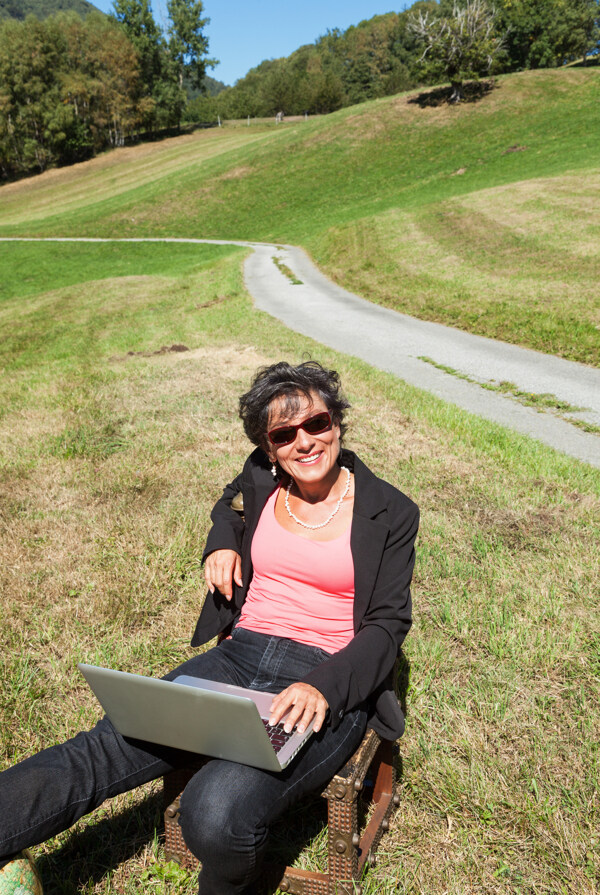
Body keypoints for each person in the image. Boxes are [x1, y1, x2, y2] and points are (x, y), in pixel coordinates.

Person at [0, 360, 419, 895]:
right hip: (239, 655)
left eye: (317, 423)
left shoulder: (391, 511)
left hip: (324, 678)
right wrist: (221, 539)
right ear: (269, 449)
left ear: (338, 422)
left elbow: (388, 626)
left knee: (215, 813)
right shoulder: (263, 478)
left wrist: (324, 686)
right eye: (284, 434)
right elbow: (230, 502)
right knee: (102, 746)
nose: (305, 442)